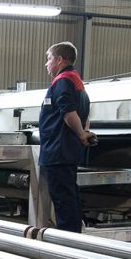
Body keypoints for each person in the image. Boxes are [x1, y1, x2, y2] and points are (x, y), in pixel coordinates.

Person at [38, 41, 95, 233]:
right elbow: (84, 114)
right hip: (65, 150)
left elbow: (69, 112)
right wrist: (83, 132)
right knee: (70, 197)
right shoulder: (76, 82)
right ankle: (74, 237)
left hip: (58, 151)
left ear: (60, 59)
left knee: (63, 200)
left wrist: (81, 134)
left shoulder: (63, 81)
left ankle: (67, 242)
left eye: (49, 59)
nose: (46, 63)